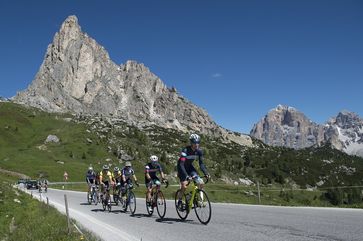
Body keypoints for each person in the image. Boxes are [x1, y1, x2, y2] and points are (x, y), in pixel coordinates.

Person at [176, 133, 210, 209]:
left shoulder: (199, 151)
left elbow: (201, 164)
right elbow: (181, 164)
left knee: (200, 182)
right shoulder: (185, 150)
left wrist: (206, 173)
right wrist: (187, 176)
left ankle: (200, 200)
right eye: (195, 143)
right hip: (182, 168)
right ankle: (180, 201)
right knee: (184, 186)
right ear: (191, 143)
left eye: (198, 142)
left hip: (190, 168)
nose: (197, 144)